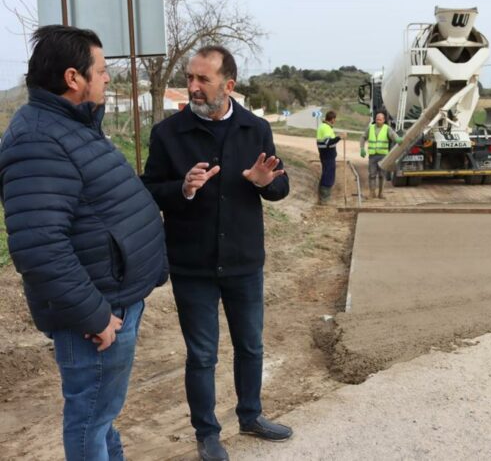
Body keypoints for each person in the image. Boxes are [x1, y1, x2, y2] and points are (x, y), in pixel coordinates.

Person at [0, 25, 168, 460]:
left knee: (101, 415)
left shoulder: (69, 125)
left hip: (109, 301)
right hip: (94, 316)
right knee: (90, 418)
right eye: (101, 69)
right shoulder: (38, 139)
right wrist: (95, 315)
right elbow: (39, 247)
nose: (108, 78)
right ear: (74, 78)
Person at [141, 45, 292, 461]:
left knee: (251, 346)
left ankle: (251, 416)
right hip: (192, 266)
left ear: (228, 85)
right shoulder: (167, 135)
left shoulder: (254, 129)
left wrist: (264, 182)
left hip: (244, 263)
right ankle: (207, 433)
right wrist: (183, 188)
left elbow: (281, 188)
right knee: (203, 354)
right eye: (190, 78)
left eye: (202, 80)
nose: (192, 87)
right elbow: (149, 189)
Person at [359, 112, 402, 199]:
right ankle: (372, 193)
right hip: (372, 156)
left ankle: (381, 193)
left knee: (382, 175)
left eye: (380, 119)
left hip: (383, 156)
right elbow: (363, 137)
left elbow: (393, 135)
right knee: (372, 174)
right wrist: (362, 148)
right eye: (377, 119)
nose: (378, 120)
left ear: (384, 120)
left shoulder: (387, 128)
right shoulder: (370, 128)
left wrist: (397, 139)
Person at [316, 110, 343, 204]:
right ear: (332, 119)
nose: (335, 121)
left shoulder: (324, 127)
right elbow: (328, 142)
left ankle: (324, 198)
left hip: (326, 155)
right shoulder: (326, 128)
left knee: (327, 174)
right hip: (327, 155)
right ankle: (324, 199)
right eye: (335, 119)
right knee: (328, 176)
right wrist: (339, 137)